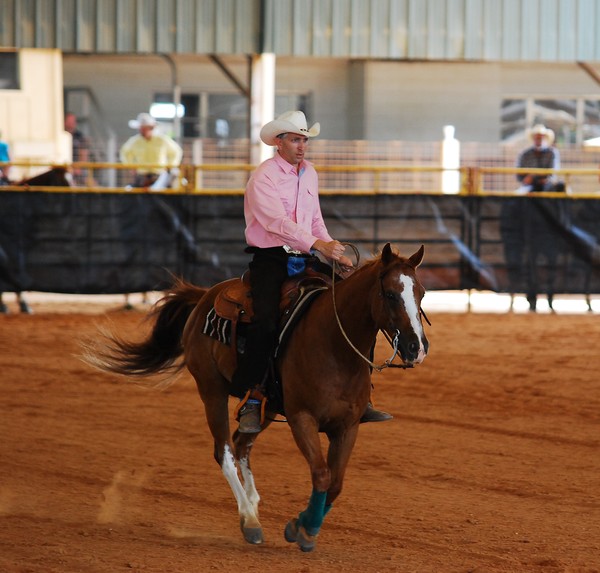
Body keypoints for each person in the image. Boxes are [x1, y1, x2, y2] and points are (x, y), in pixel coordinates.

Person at [234, 110, 392, 433]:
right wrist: (319, 245)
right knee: (264, 320)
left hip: (306, 255)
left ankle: (361, 394)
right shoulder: (263, 177)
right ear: (279, 142)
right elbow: (277, 223)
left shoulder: (310, 174)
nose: (302, 146)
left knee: (359, 304)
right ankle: (253, 396)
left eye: (304, 140)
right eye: (295, 139)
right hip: (270, 257)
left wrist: (333, 247)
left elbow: (315, 219)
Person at [119, 112, 183, 189]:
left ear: (151, 128)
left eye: (144, 128)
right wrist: (130, 166)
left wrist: (170, 165)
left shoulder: (162, 140)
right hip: (142, 175)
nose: (142, 130)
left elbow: (176, 151)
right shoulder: (134, 141)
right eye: (141, 128)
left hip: (159, 174)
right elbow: (124, 153)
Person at [515, 124, 565, 193]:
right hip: (529, 186)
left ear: (545, 138)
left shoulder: (552, 153)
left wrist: (541, 179)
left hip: (547, 186)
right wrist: (527, 179)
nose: (539, 140)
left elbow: (554, 173)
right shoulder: (525, 154)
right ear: (533, 138)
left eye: (541, 138)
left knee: (561, 186)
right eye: (537, 138)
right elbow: (519, 174)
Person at [64, 112, 91, 185]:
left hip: (77, 169)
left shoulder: (79, 136)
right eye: (70, 121)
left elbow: (84, 154)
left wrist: (79, 168)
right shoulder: (61, 135)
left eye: (73, 121)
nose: (72, 124)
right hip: (64, 168)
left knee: (91, 183)